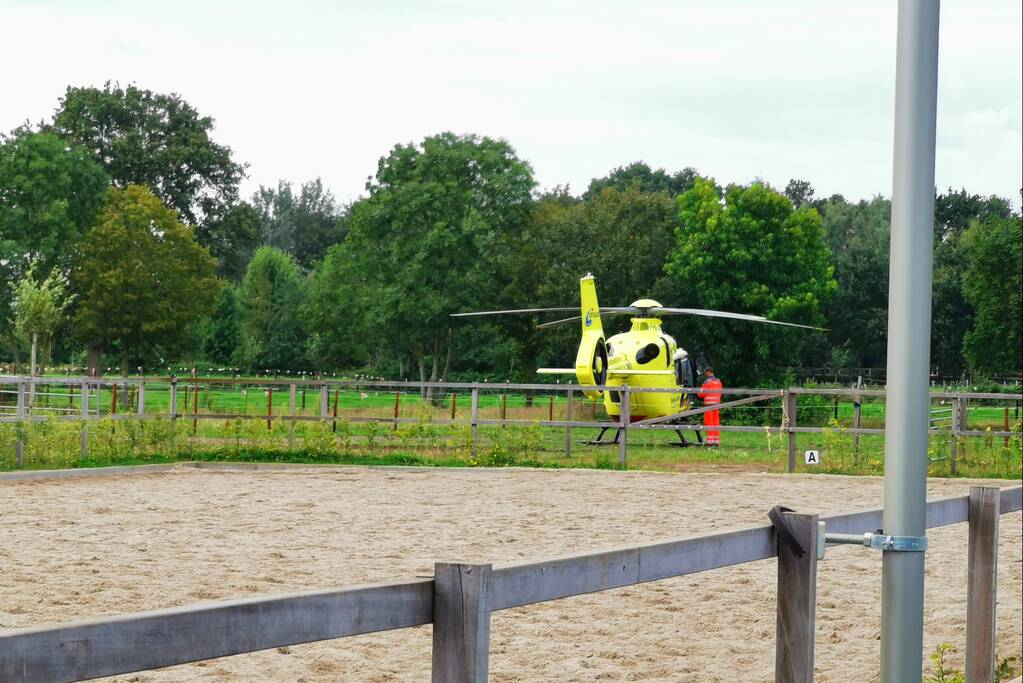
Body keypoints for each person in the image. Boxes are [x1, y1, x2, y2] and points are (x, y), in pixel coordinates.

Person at [698, 366, 723, 447]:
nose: (705, 374)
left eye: (705, 372)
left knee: (709, 423)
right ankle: (716, 441)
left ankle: (710, 442)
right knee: (716, 423)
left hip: (709, 405)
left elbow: (701, 394)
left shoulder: (707, 382)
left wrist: (698, 391)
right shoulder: (718, 381)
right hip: (717, 405)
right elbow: (720, 392)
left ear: (708, 372)